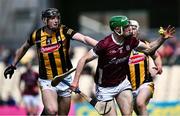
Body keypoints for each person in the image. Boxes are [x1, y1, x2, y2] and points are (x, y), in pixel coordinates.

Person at [70, 15, 175, 115]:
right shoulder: (104, 45)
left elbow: (149, 49)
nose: (130, 29)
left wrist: (162, 39)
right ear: (117, 29)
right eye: (126, 27)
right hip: (105, 88)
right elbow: (83, 60)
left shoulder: (131, 41)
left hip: (122, 84)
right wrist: (75, 81)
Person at [4, 8, 98, 115]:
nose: (56, 20)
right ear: (45, 20)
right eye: (52, 18)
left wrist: (101, 46)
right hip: (47, 80)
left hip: (65, 79)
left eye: (57, 18)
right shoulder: (37, 35)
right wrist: (13, 65)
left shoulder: (64, 30)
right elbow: (24, 48)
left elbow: (84, 38)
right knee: (52, 111)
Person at [127, 20, 162, 115]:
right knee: (136, 112)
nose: (132, 30)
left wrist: (158, 65)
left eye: (134, 28)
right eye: (129, 28)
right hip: (128, 87)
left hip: (145, 82)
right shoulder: (121, 46)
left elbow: (156, 55)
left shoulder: (144, 44)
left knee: (140, 103)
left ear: (138, 31)